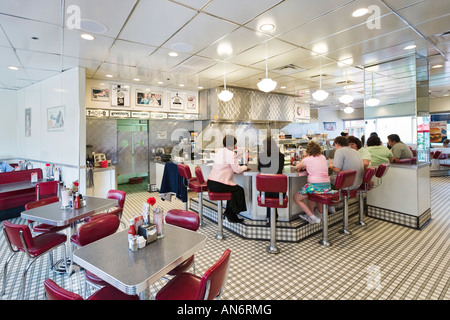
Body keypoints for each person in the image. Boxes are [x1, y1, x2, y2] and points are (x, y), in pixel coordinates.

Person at [207, 135, 248, 223]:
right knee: (239, 190)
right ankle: (231, 214)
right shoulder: (231, 154)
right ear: (231, 145)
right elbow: (237, 170)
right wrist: (245, 167)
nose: (235, 147)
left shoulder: (219, 152)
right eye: (234, 145)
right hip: (219, 184)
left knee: (234, 190)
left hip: (211, 183)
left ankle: (230, 213)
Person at [293, 141, 335, 224]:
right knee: (310, 196)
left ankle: (313, 217)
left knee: (297, 198)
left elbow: (297, 167)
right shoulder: (322, 157)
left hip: (314, 186)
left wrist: (303, 166)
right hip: (327, 186)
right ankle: (313, 215)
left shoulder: (307, 159)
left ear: (308, 151)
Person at [258, 137, 285, 225]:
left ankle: (269, 218)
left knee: (268, 191)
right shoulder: (281, 156)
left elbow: (259, 169)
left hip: (264, 190)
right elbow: (280, 169)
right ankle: (273, 217)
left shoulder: (262, 156)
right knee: (273, 191)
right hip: (279, 191)